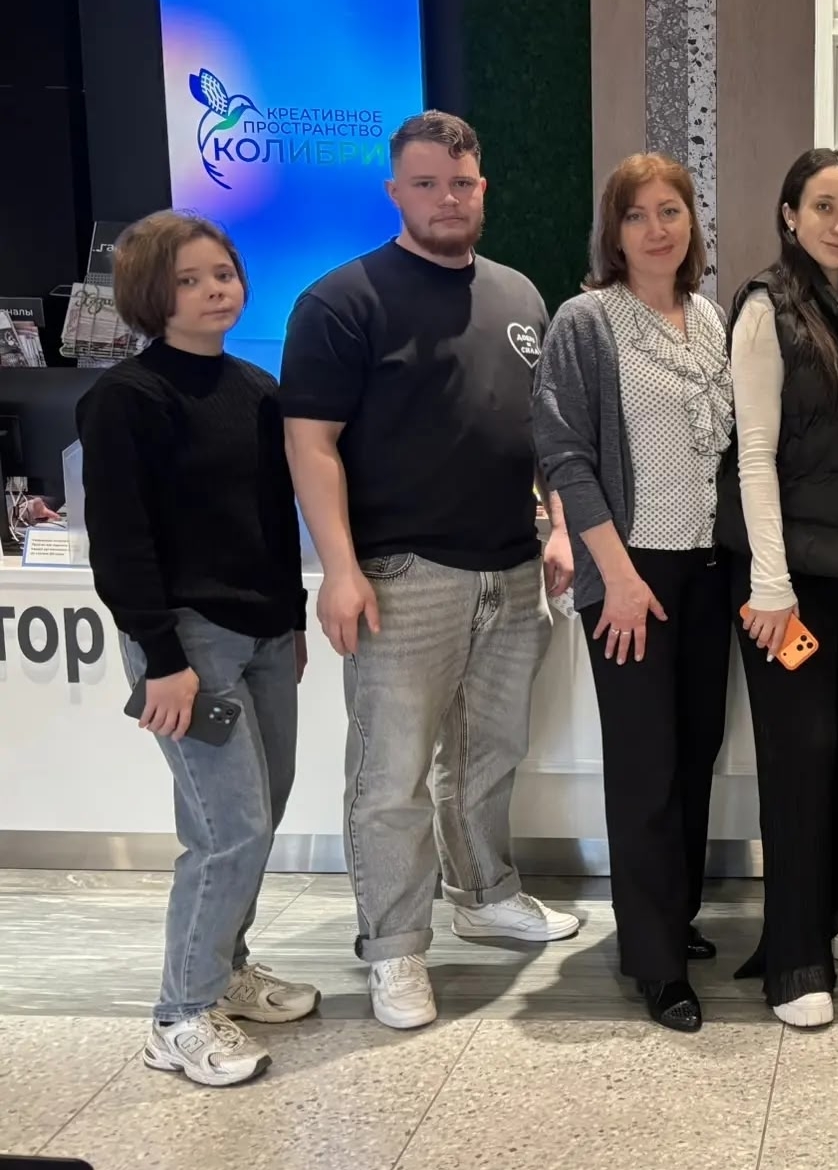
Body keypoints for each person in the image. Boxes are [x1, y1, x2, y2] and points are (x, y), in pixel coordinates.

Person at [282, 110, 579, 1034]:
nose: (446, 199)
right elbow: (310, 444)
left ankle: (484, 893)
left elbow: (544, 433)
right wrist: (339, 569)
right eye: (425, 184)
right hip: (401, 576)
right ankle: (395, 947)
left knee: (489, 754)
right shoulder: (341, 301)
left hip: (512, 567)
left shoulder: (520, 295)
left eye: (461, 183)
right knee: (392, 776)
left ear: (481, 188)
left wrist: (561, 527)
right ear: (395, 192)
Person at [78, 211, 315, 1087]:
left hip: (265, 635)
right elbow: (121, 540)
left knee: (262, 811)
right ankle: (179, 1014)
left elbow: (272, 520)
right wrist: (161, 657)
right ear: (151, 294)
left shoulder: (257, 389)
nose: (215, 290)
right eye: (189, 280)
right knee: (228, 829)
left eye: (223, 273)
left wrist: (292, 618)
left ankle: (226, 969)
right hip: (188, 644)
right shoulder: (125, 400)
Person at [533, 154, 733, 1033]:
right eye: (637, 215)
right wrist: (614, 576)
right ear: (613, 232)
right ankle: (654, 962)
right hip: (630, 572)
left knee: (695, 752)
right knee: (646, 764)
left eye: (672, 211)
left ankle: (673, 917)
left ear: (693, 223)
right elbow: (565, 455)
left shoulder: (712, 319)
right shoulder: (586, 321)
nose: (658, 229)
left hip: (709, 569)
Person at [716, 146, 838, 1028]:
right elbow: (755, 455)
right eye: (823, 206)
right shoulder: (767, 307)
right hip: (789, 582)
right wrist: (770, 583)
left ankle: (837, 902)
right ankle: (793, 960)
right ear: (789, 215)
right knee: (799, 758)